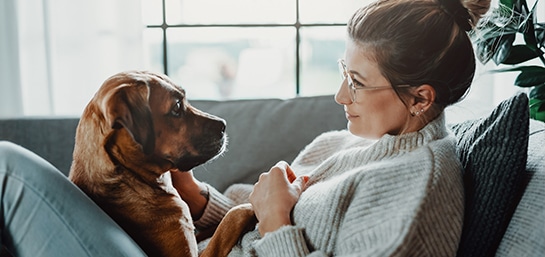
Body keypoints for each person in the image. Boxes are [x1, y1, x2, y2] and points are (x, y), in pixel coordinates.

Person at [0, 0, 490, 256]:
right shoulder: (346, 142)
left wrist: (276, 222)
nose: (340, 97)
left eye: (357, 83)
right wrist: (199, 201)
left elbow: (266, 218)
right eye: (343, 73)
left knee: (6, 168)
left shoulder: (418, 190)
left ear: (421, 97)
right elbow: (249, 212)